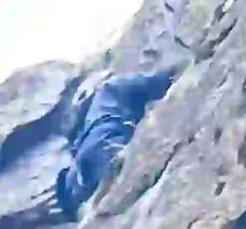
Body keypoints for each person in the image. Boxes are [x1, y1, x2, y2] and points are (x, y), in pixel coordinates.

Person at [55, 69, 175, 219]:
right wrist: (173, 75)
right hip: (105, 143)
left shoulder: (85, 126)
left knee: (87, 182)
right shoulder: (110, 88)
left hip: (79, 171)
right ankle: (108, 174)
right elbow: (155, 82)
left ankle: (87, 203)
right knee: (112, 160)